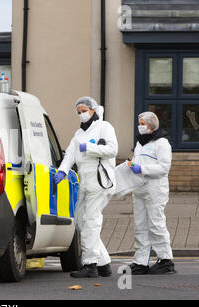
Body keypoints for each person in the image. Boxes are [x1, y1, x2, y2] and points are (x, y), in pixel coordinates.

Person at [54, 96, 118, 278]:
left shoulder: (105, 128)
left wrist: (90, 148)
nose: (82, 114)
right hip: (86, 182)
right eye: (79, 112)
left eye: (85, 111)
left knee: (91, 221)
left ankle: (90, 265)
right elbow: (70, 155)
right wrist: (62, 172)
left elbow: (113, 150)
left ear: (93, 110)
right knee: (81, 221)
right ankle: (104, 263)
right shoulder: (78, 134)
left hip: (100, 180)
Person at [128, 111, 175, 275]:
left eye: (143, 123)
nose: (140, 126)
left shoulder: (162, 143)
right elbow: (137, 161)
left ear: (152, 125)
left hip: (155, 189)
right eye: (139, 123)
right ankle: (140, 261)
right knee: (140, 225)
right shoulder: (141, 143)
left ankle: (165, 260)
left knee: (156, 223)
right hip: (139, 188)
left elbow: (163, 168)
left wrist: (142, 169)